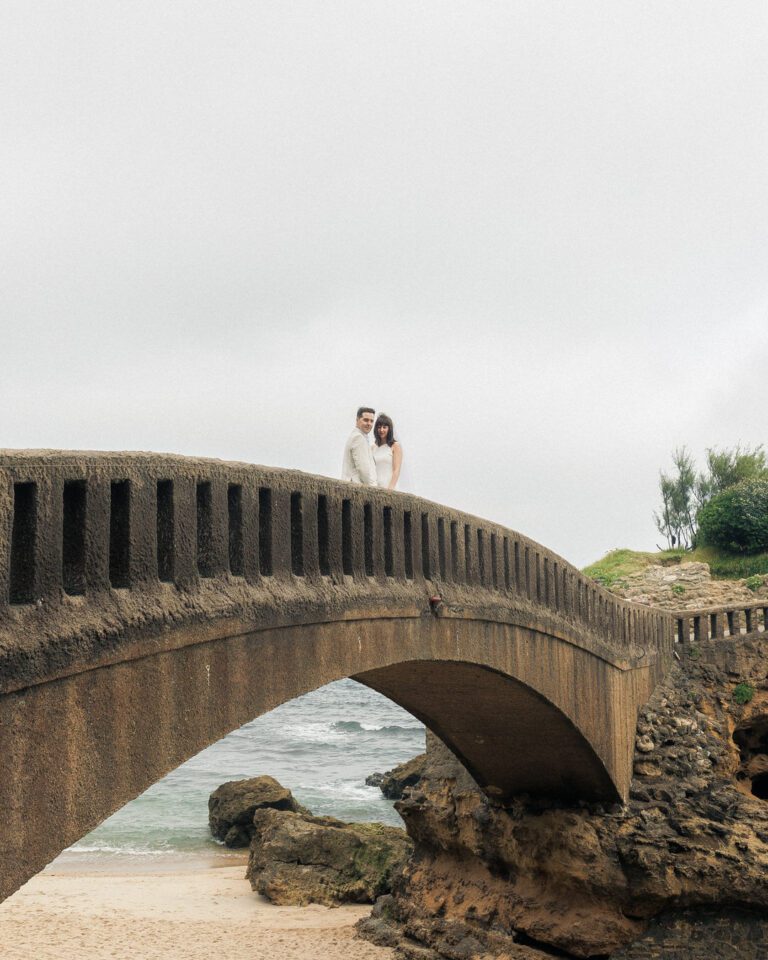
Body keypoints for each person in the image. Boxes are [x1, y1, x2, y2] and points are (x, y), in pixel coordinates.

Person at [341, 407, 377, 485]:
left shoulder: (358, 436)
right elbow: (363, 469)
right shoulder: (358, 438)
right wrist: (373, 488)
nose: (369, 424)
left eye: (371, 421)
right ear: (357, 420)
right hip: (356, 488)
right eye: (366, 420)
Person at [372, 413, 403, 490]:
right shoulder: (373, 447)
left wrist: (390, 490)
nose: (381, 430)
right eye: (379, 427)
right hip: (375, 487)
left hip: (390, 488)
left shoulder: (395, 446)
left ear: (389, 429)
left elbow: (396, 470)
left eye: (384, 427)